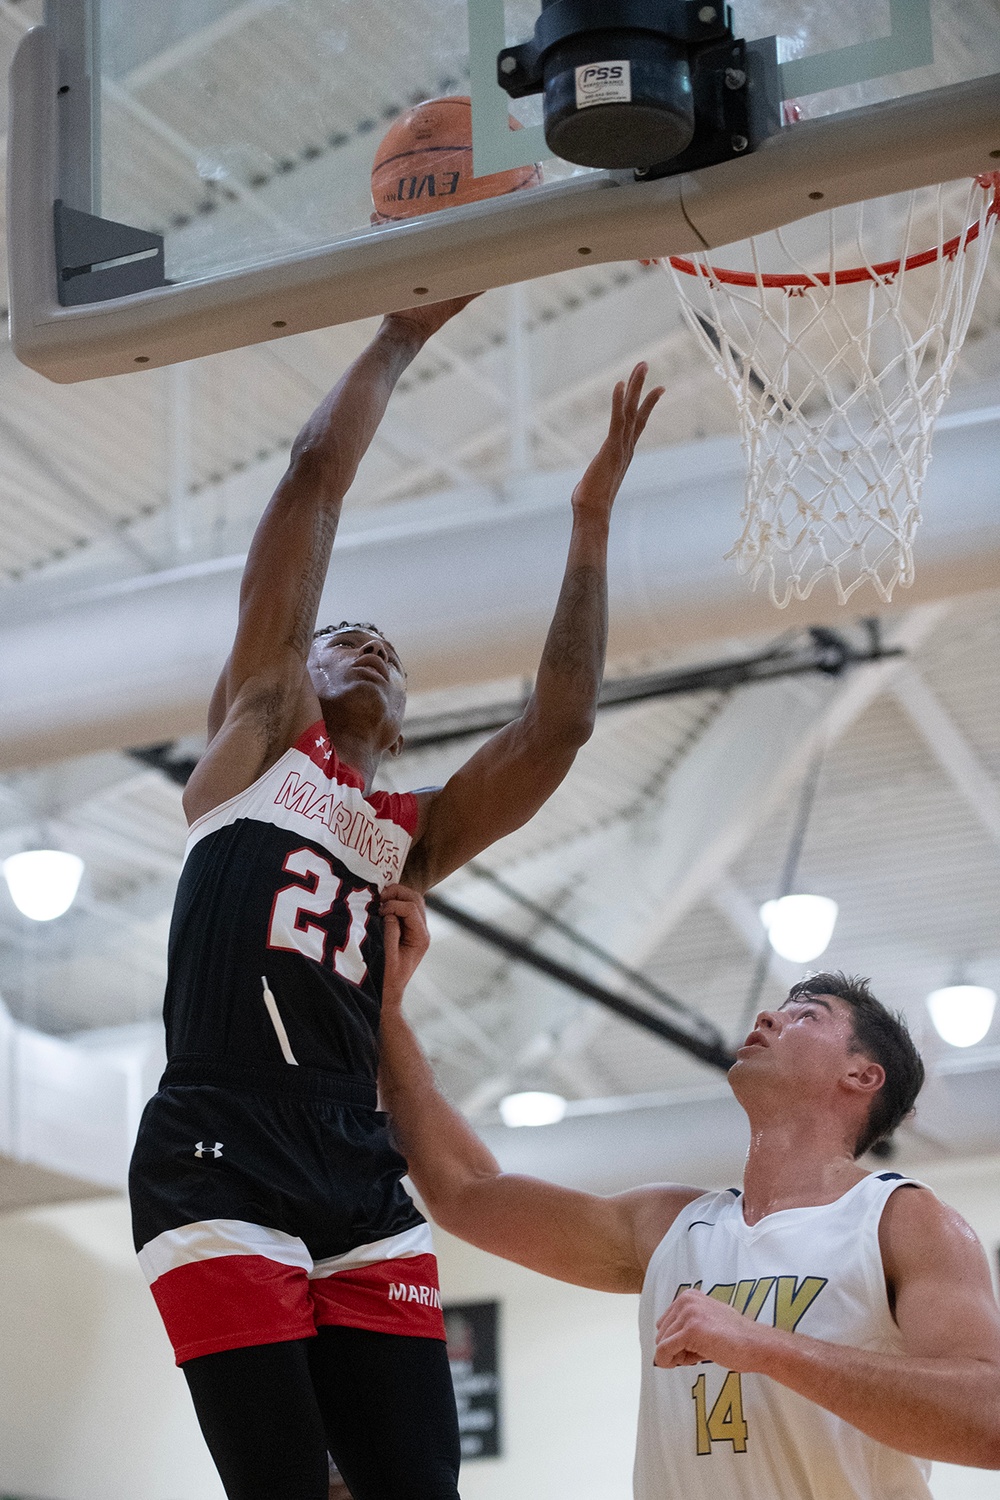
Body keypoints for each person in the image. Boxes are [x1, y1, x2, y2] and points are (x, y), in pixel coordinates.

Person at [127, 295, 663, 1500]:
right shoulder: (263, 734)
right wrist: (400, 335)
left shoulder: (408, 840)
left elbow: (561, 723)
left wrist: (588, 524)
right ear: (286, 666)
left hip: (356, 1160)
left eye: (389, 652)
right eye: (341, 636)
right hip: (219, 1143)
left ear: (410, 717)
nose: (365, 645)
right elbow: (313, 484)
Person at [377, 884, 1000, 1499]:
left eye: (807, 1015)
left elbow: (989, 1422)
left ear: (862, 1075)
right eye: (781, 1007)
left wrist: (765, 1347)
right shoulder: (671, 1224)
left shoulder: (898, 1219)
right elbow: (466, 1192)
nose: (768, 1016)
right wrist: (384, 1012)